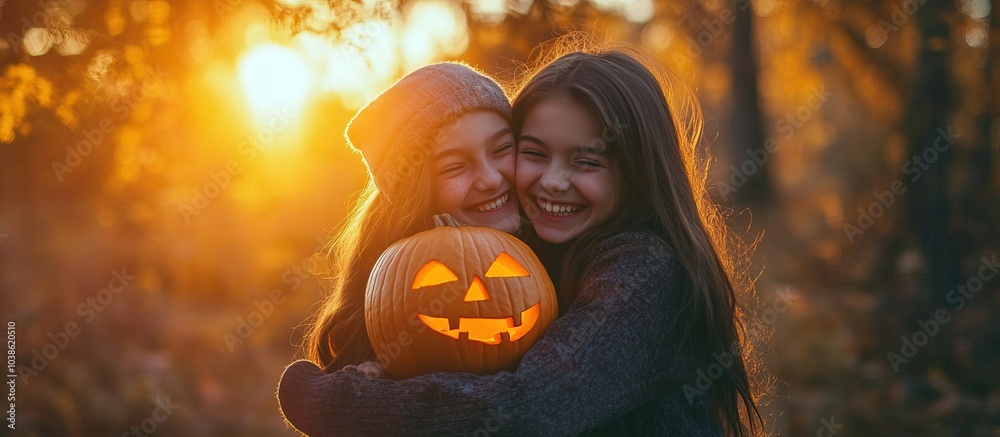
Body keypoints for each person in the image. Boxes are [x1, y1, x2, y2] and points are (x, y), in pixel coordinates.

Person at [278, 46, 766, 436]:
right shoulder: (531, 250)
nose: (552, 182)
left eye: (587, 161)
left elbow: (530, 407)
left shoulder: (643, 272)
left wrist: (328, 400)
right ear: (413, 191)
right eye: (533, 152)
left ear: (636, 171)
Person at [304, 62, 522, 374]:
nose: (489, 178)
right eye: (454, 167)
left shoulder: (572, 248)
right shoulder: (390, 303)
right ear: (416, 193)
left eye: (502, 149)